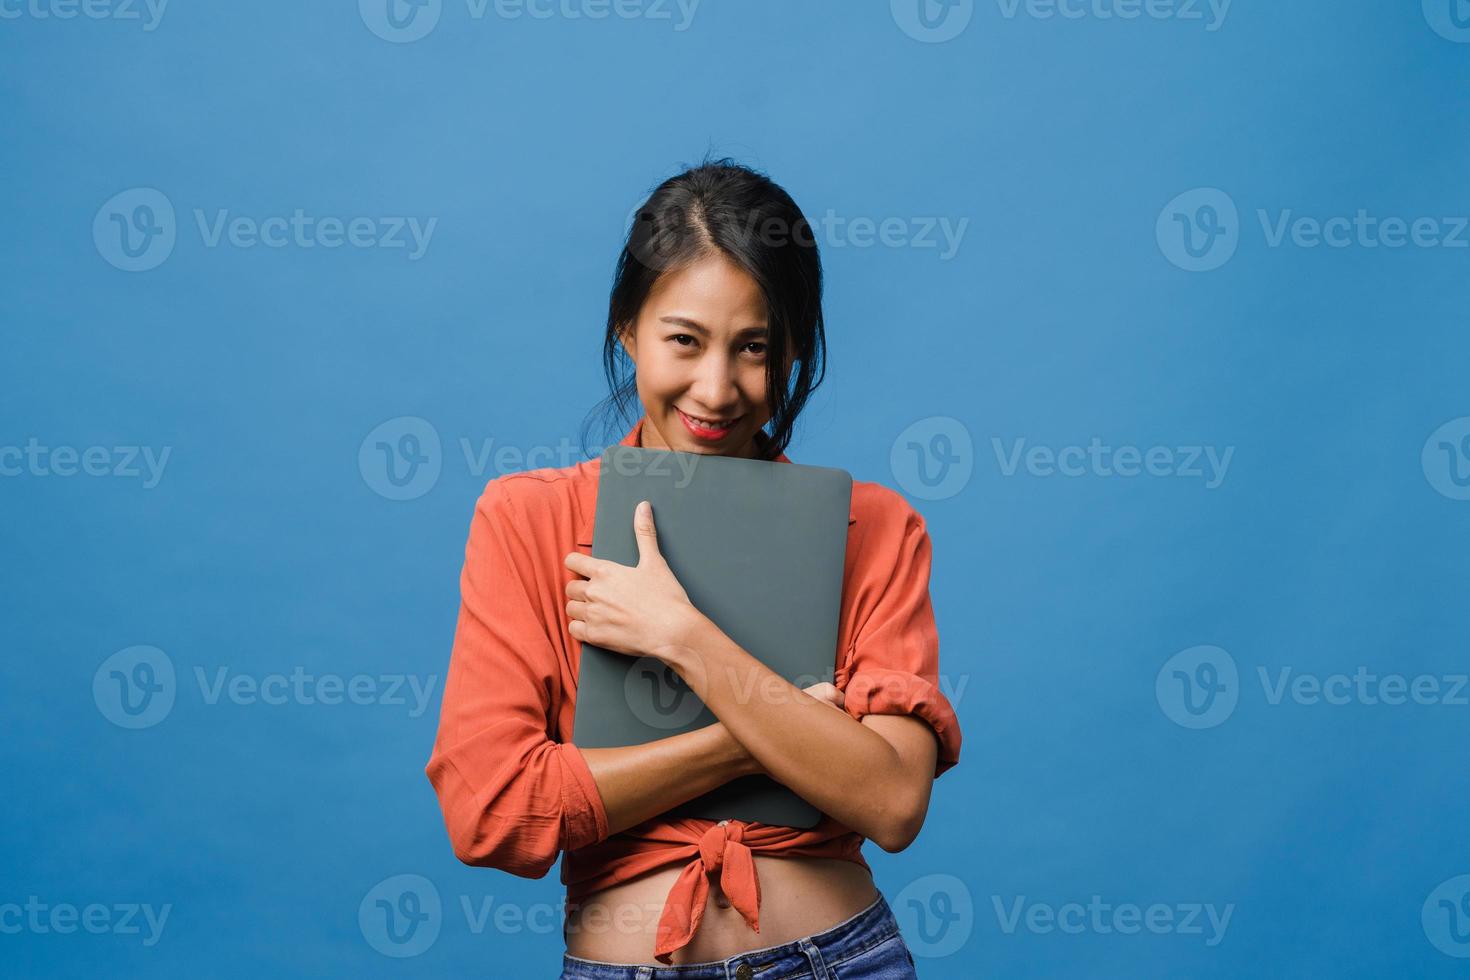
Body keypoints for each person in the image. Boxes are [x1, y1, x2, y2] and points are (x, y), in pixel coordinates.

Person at [424, 159, 963, 979]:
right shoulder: (527, 519)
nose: (716, 390)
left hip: (843, 960)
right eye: (684, 340)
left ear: (790, 353)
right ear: (627, 330)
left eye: (754, 348)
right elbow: (491, 811)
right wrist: (752, 740)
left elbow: (891, 800)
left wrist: (682, 636)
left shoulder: (876, 527)